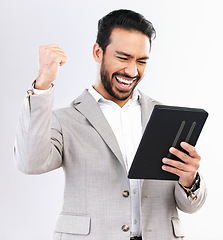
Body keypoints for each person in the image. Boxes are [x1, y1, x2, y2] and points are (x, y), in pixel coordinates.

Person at [14, 9, 207, 240]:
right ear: (98, 52)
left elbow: (190, 206)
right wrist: (43, 83)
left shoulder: (164, 117)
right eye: (123, 57)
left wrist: (189, 180)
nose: (132, 71)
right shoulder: (65, 119)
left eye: (141, 61)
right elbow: (29, 163)